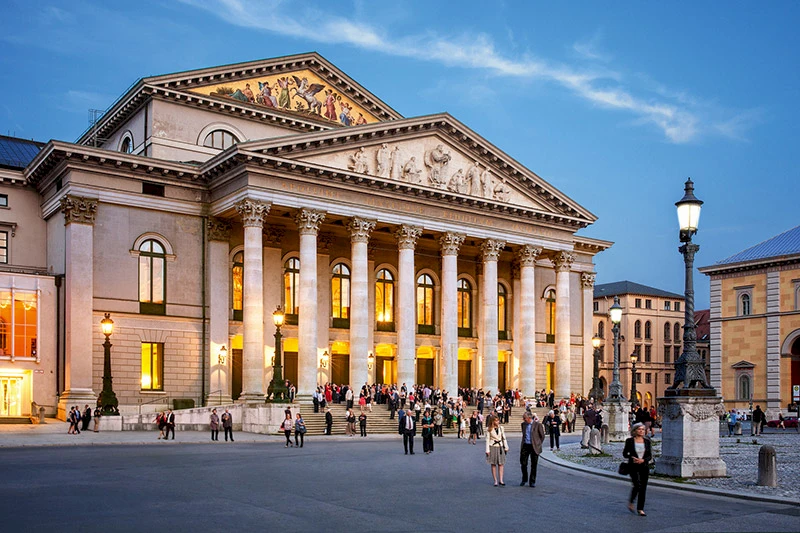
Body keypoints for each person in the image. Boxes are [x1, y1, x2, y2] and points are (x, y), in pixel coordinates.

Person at [623, 423, 652, 516]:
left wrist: (643, 460)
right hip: (633, 466)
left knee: (643, 488)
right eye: (639, 429)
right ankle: (631, 501)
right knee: (637, 485)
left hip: (644, 466)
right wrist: (632, 458)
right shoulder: (629, 441)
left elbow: (649, 456)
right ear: (635, 431)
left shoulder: (647, 441)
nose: (641, 431)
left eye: (643, 429)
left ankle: (640, 508)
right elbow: (624, 454)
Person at [519, 411, 545, 487]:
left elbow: (542, 436)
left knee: (534, 464)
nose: (523, 419)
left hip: (534, 446)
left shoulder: (537, 425)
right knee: (523, 463)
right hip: (525, 445)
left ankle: (532, 481)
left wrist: (538, 444)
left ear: (529, 418)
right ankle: (524, 478)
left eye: (525, 418)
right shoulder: (523, 425)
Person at [485, 416, 509, 486]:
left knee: (501, 464)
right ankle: (495, 480)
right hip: (492, 446)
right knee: (493, 464)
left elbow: (504, 438)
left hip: (500, 446)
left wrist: (506, 446)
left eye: (498, 420)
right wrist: (487, 450)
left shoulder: (501, 428)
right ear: (492, 421)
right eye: (496, 421)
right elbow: (487, 440)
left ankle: (501, 479)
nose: (497, 422)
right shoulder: (489, 429)